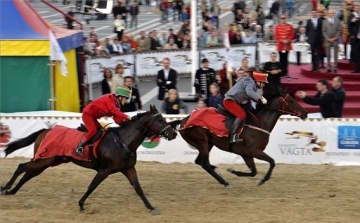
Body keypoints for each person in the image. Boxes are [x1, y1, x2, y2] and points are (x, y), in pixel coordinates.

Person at [74, 86, 132, 156]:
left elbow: (117, 120)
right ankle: (79, 147)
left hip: (93, 117)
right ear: (120, 97)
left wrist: (126, 124)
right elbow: (113, 110)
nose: (126, 101)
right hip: (87, 114)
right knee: (93, 131)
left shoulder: (117, 105)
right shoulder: (110, 98)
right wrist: (126, 116)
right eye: (126, 99)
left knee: (102, 131)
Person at [223, 72, 268, 143]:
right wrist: (260, 98)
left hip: (233, 101)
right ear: (258, 81)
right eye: (263, 83)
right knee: (241, 115)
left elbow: (249, 95)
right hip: (229, 101)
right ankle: (232, 136)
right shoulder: (249, 81)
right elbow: (249, 92)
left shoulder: (252, 84)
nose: (263, 85)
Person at [348, 4, 360, 72]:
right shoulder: (352, 15)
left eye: (358, 8)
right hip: (356, 37)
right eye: (356, 8)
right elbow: (349, 25)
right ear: (354, 8)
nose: (357, 9)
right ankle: (356, 68)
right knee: (356, 52)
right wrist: (351, 34)